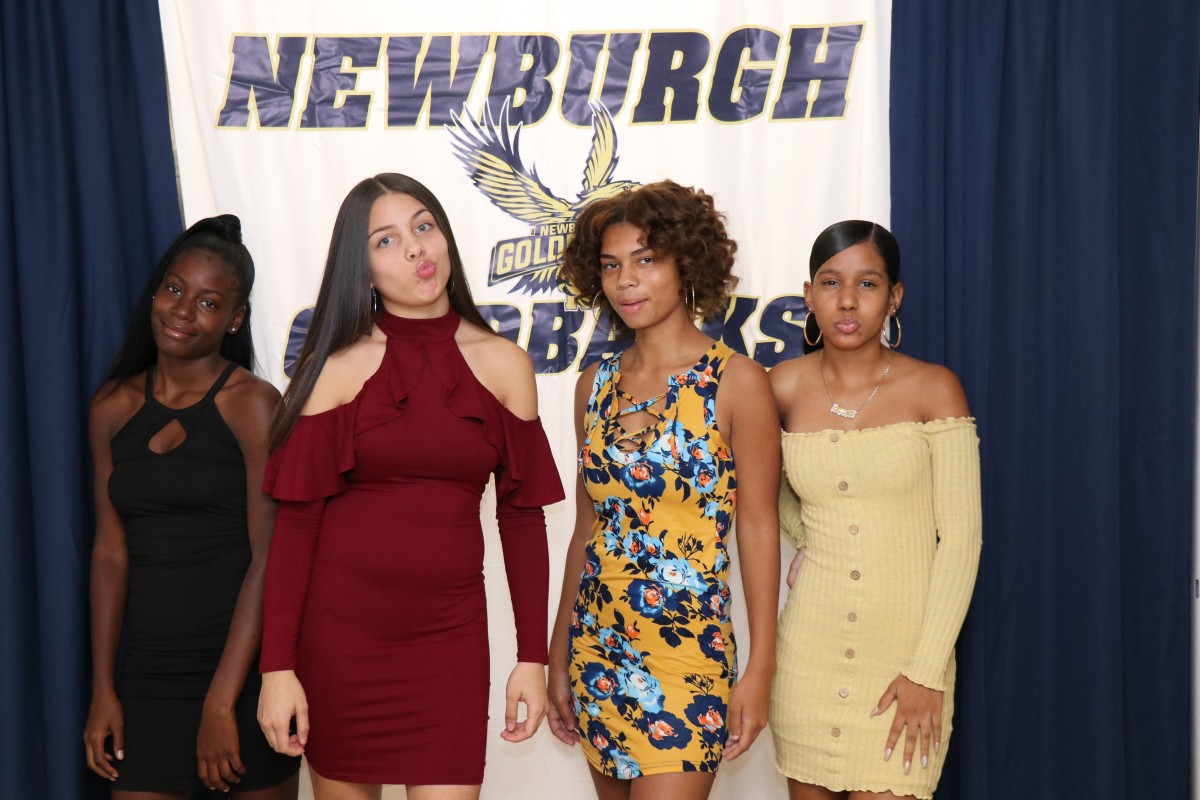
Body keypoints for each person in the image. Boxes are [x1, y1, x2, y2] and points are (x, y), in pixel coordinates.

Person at [255, 173, 564, 800]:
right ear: (361, 270)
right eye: (388, 241)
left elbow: (523, 521)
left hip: (447, 642)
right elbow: (296, 526)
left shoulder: (505, 364)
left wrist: (532, 657)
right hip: (339, 643)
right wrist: (277, 668)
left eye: (424, 227)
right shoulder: (336, 369)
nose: (418, 250)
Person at [547, 180, 781, 799]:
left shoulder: (737, 383)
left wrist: (761, 667)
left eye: (646, 260)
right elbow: (586, 528)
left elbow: (759, 527)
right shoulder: (592, 385)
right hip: (597, 643)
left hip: (687, 655)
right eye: (612, 265)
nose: (627, 281)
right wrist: (557, 651)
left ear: (687, 263)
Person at [84, 215, 300, 798]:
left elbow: (269, 557)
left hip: (244, 679)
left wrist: (221, 701)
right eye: (174, 289)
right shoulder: (110, 406)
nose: (182, 311)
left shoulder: (253, 404)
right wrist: (104, 689)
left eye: (208, 302)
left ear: (234, 320)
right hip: (147, 681)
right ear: (155, 292)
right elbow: (110, 553)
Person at [767, 220, 982, 800]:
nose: (846, 301)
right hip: (806, 656)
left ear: (895, 297)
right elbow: (760, 492)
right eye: (831, 282)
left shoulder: (935, 388)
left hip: (905, 659)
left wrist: (926, 671)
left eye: (867, 284)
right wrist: (808, 537)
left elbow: (961, 541)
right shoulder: (780, 388)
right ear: (808, 294)